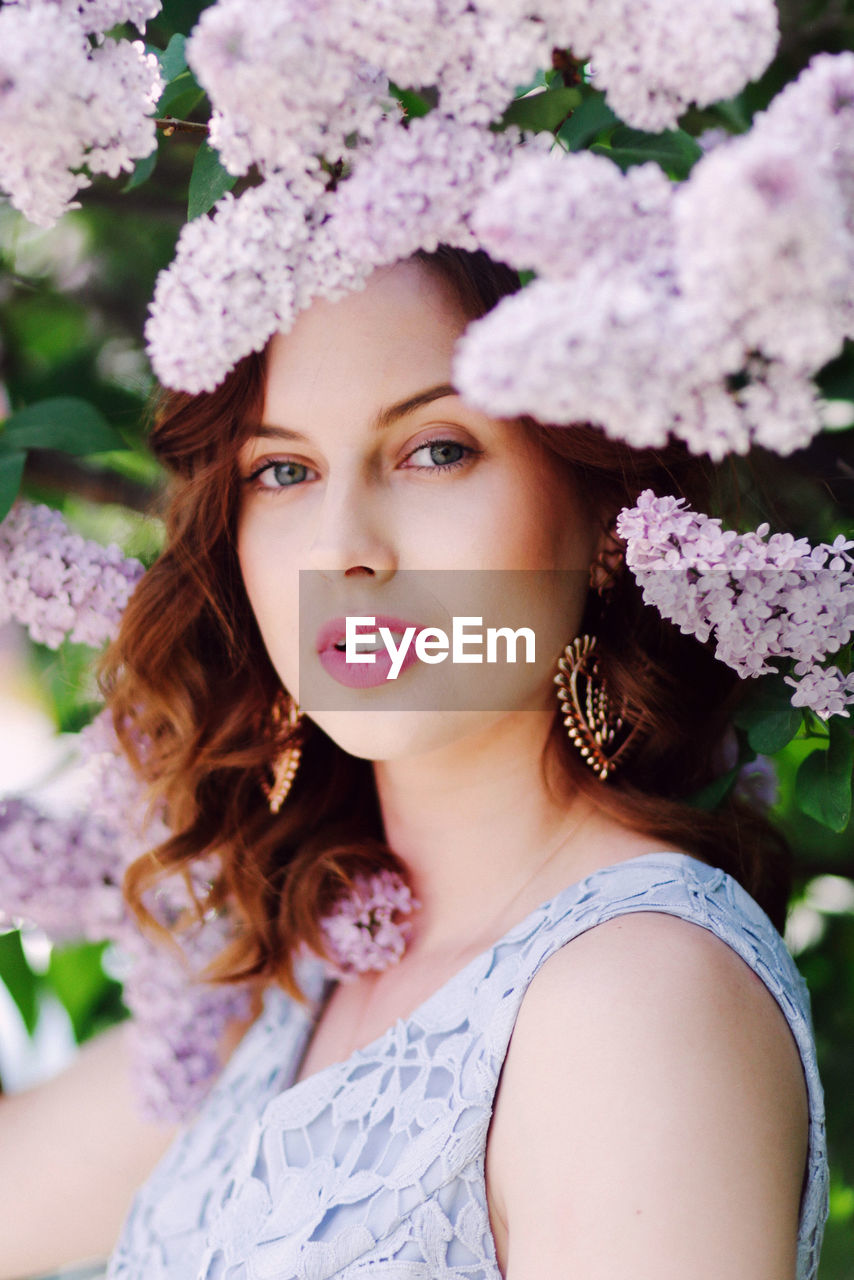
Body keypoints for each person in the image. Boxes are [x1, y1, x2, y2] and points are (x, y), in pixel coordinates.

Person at [0, 247, 826, 1280]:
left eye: (435, 450)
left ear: (607, 519)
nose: (345, 545)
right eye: (284, 470)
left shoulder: (636, 997)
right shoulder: (306, 974)